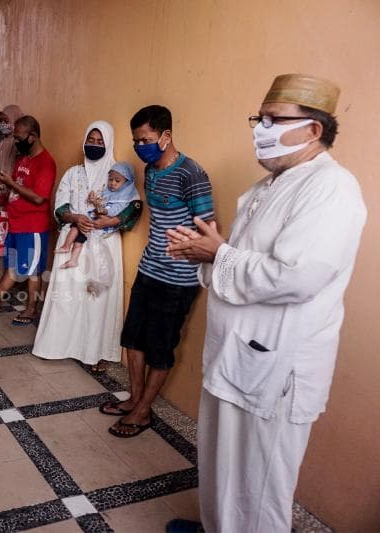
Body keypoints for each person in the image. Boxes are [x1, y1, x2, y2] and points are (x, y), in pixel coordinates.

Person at [164, 75, 367, 533]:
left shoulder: (330, 189)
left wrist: (218, 253)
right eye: (260, 118)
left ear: (314, 130)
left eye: (274, 119)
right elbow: (239, 259)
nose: (261, 128)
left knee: (259, 482)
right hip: (236, 354)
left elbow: (296, 276)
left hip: (275, 364)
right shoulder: (266, 187)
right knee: (222, 461)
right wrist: (207, 251)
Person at [99, 105, 215, 438]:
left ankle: (144, 411)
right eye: (136, 140)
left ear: (166, 136)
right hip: (150, 268)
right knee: (133, 338)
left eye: (145, 139)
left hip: (178, 280)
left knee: (161, 346)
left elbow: (208, 228)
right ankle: (135, 399)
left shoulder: (191, 173)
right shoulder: (150, 171)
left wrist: (185, 250)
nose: (140, 146)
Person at [33, 122, 142, 371]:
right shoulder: (73, 173)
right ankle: (57, 344)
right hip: (73, 238)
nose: (94, 144)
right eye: (90, 139)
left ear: (109, 143)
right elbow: (59, 206)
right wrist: (76, 218)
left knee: (97, 298)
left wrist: (110, 220)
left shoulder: (117, 174)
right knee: (67, 295)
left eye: (100, 140)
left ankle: (95, 352)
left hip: (103, 243)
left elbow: (134, 206)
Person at [0, 116, 56, 325]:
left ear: (33, 136)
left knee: (33, 271)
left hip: (33, 227)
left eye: (18, 137)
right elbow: (18, 187)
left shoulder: (46, 163)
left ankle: (31, 310)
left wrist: (11, 183)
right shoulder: (23, 158)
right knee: (11, 267)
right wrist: (4, 186)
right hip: (15, 223)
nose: (16, 141)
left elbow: (38, 197)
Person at [57, 161, 139, 269]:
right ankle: (71, 256)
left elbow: (122, 210)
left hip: (106, 235)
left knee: (99, 269)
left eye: (117, 181)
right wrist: (92, 203)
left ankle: (68, 250)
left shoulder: (124, 194)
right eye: (111, 180)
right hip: (88, 223)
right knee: (78, 236)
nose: (113, 183)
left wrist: (107, 218)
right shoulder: (74, 172)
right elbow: (61, 203)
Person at [0, 104, 24, 176]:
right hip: (1, 180)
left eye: (6, 121)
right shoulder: (2, 140)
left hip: (13, 182)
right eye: (1, 120)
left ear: (15, 120)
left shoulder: (18, 142)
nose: (2, 124)